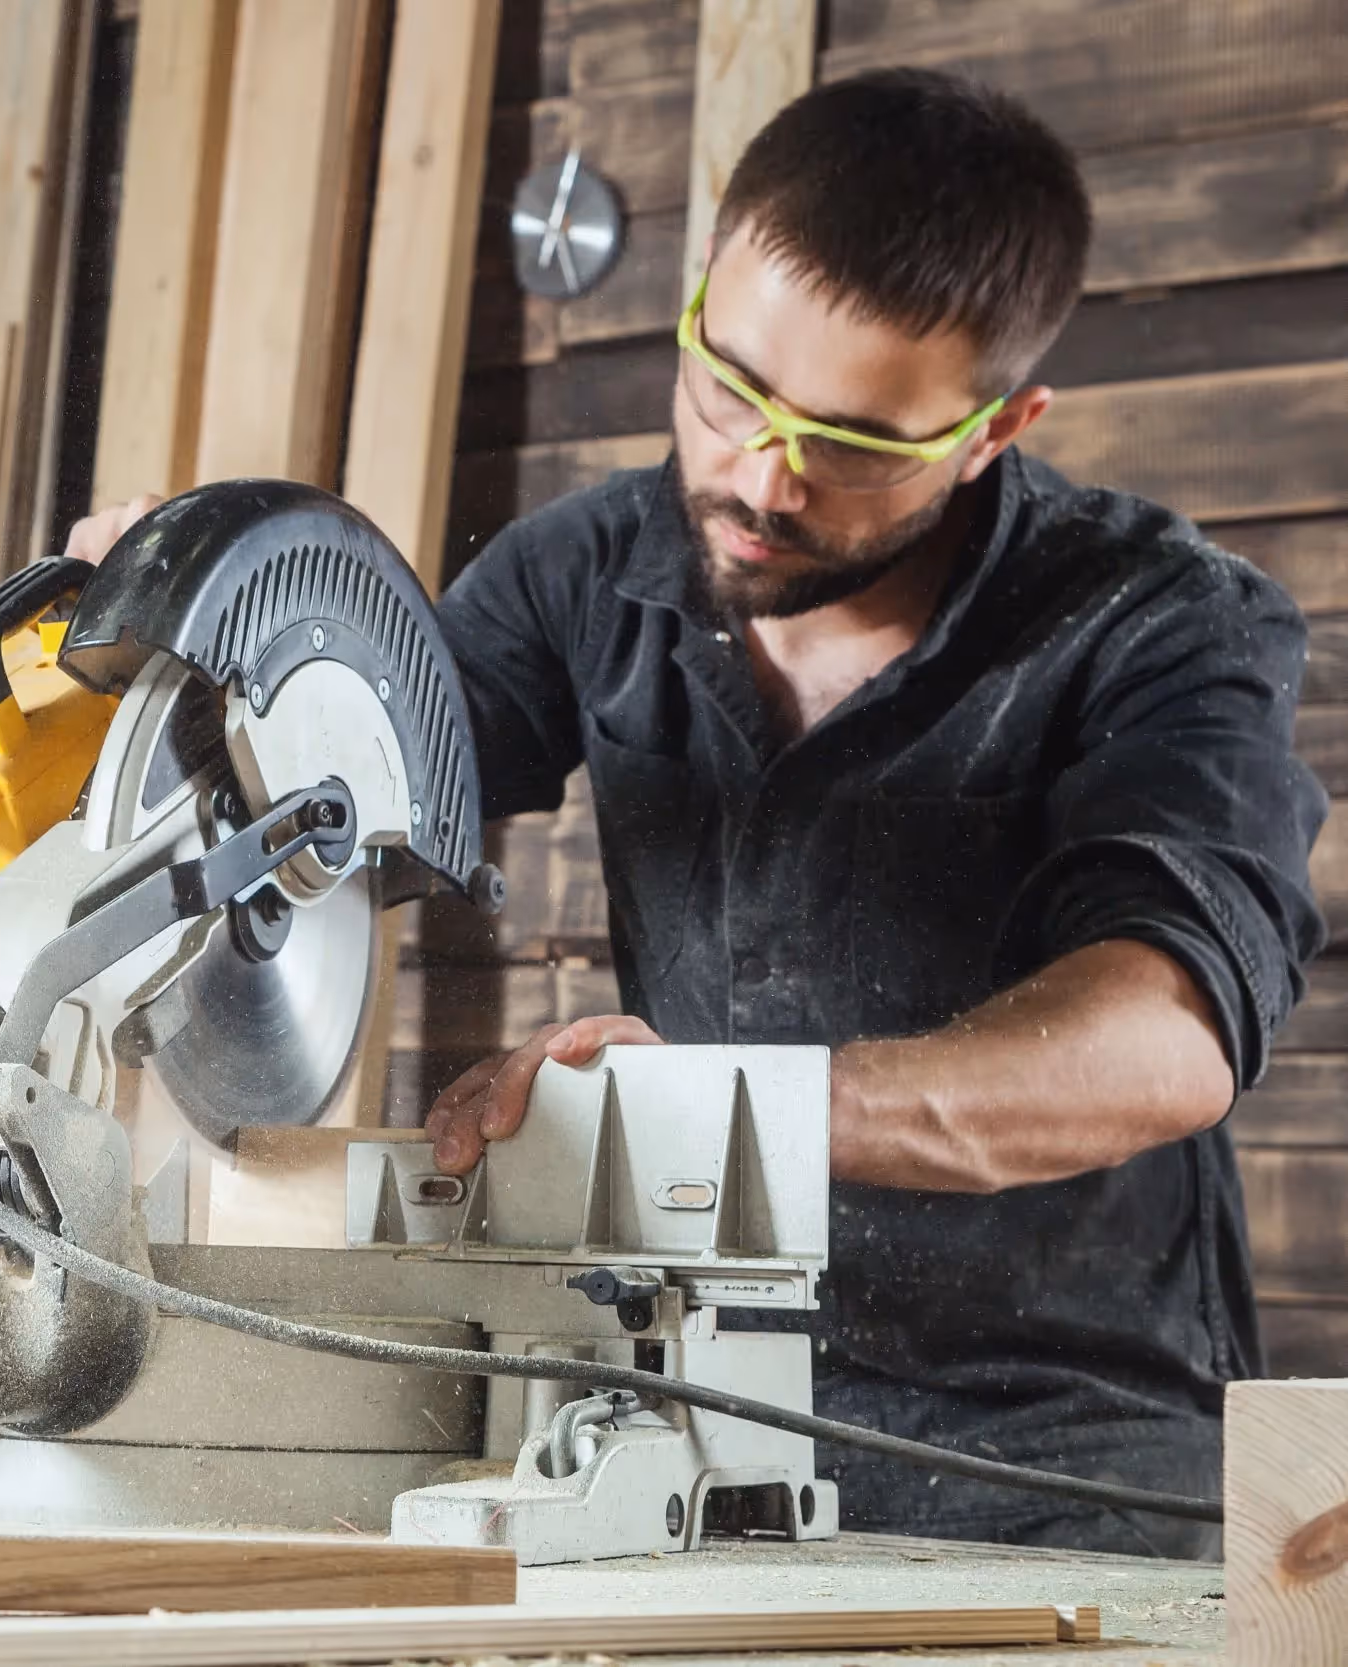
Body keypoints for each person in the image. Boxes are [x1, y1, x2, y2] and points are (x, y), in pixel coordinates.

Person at [65, 68, 1325, 1558]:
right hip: (700, 1399)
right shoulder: (584, 570)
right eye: (729, 389)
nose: (760, 477)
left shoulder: (1162, 620)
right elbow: (345, 816)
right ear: (701, 299)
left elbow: (1162, 1040)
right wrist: (196, 695)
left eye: (853, 443)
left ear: (996, 428)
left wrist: (712, 1108)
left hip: (1074, 1442)